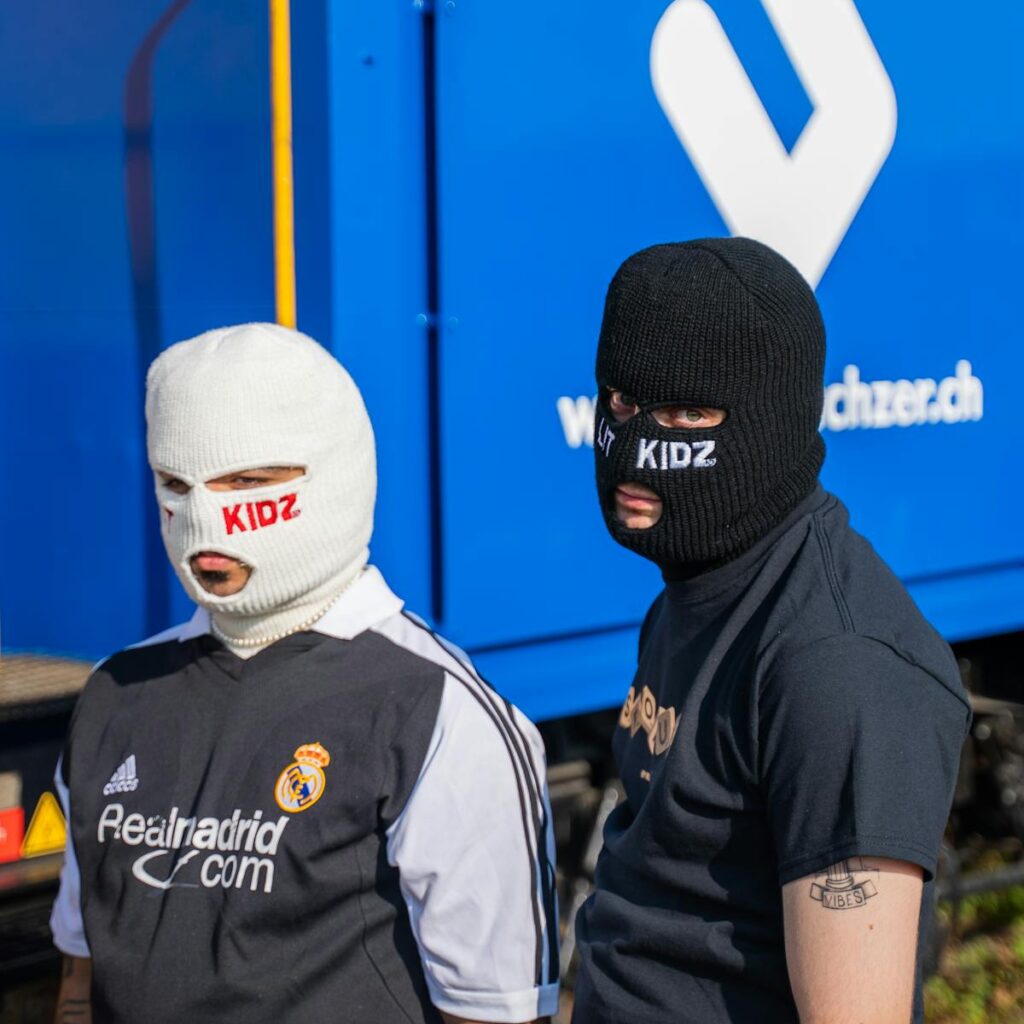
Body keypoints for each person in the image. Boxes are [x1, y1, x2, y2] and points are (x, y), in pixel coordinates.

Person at [50, 323, 558, 1024]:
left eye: (246, 482)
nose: (203, 515)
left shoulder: (436, 710)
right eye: (175, 482)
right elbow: (83, 978)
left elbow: (493, 1010)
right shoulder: (115, 694)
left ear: (332, 473)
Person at [573, 239, 970, 1024]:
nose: (636, 447)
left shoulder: (839, 668)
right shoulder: (697, 588)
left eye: (688, 414)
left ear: (770, 418)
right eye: (620, 404)